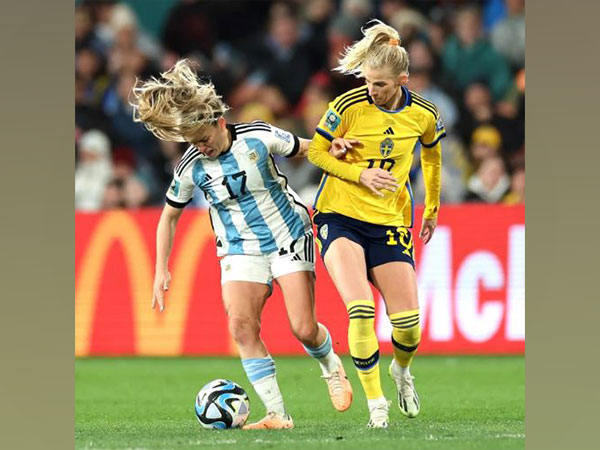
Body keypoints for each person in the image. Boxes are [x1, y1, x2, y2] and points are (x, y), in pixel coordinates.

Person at [130, 59, 353, 430]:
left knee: (303, 328)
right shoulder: (190, 167)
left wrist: (335, 146)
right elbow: (168, 216)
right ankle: (277, 414)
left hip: (288, 236)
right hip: (239, 248)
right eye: (193, 143)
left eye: (204, 139)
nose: (202, 148)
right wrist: (160, 269)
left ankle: (331, 366)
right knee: (240, 326)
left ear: (219, 122)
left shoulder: (257, 136)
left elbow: (303, 148)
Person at [307, 20, 445, 428]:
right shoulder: (348, 106)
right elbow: (316, 151)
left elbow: (432, 158)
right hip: (339, 215)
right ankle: (376, 406)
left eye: (381, 84)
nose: (373, 90)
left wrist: (432, 207)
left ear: (403, 79)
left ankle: (401, 372)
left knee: (408, 326)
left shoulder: (423, 114)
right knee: (361, 309)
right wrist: (357, 173)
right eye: (368, 81)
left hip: (388, 220)